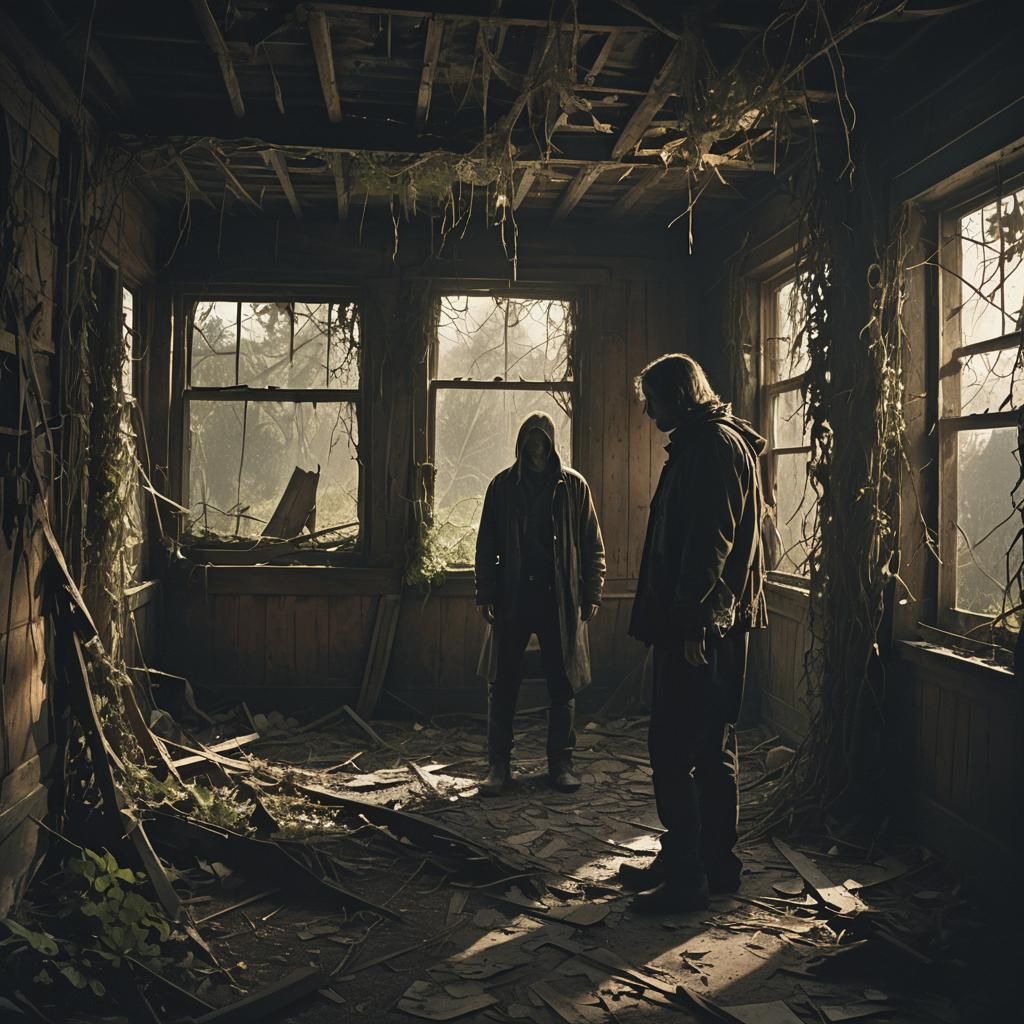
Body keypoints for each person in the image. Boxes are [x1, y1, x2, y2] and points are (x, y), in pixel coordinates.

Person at [622, 354, 767, 914]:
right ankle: (711, 863)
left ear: (679, 397)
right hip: (711, 624)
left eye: (652, 400)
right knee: (708, 747)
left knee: (674, 747)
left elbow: (711, 544)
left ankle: (688, 875)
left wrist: (690, 623)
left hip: (703, 628)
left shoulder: (709, 447)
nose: (646, 410)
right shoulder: (708, 442)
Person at [475, 411, 606, 796]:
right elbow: (485, 546)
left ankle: (561, 765)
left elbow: (592, 545)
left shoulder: (573, 487)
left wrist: (591, 592)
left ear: (551, 445)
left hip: (559, 599)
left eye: (542, 441)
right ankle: (498, 766)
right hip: (513, 596)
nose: (536, 447)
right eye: (530, 440)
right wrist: (485, 593)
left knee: (562, 683)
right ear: (521, 443)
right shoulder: (502, 487)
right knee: (502, 682)